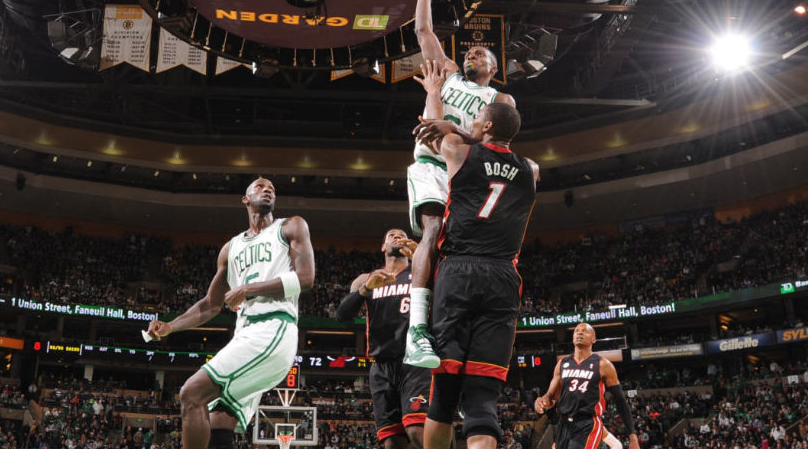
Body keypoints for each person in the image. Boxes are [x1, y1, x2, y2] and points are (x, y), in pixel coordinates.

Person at [145, 177, 314, 449]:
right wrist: (171, 326)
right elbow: (211, 304)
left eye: (271, 187)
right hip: (245, 336)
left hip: (273, 329)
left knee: (191, 393)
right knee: (217, 420)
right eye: (259, 187)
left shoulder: (290, 226)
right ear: (246, 200)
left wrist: (248, 289)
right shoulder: (231, 248)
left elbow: (305, 280)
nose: (267, 189)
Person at [405, 0, 516, 369]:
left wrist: (450, 124)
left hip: (467, 174)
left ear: (493, 68)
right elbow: (423, 33)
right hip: (432, 163)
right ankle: (416, 330)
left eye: (481, 53)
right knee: (432, 230)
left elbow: (491, 140)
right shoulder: (447, 74)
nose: (471, 53)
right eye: (468, 51)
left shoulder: (501, 101)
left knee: (457, 251)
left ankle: (450, 324)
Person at [412, 102, 538, 449]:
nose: (473, 120)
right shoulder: (529, 169)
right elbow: (506, 150)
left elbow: (437, 140)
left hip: (458, 270)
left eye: (478, 116)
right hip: (502, 276)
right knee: (482, 400)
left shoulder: (457, 150)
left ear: (487, 125)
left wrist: (466, 133)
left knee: (444, 395)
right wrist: (478, 133)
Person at [336, 228, 430, 449]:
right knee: (392, 442)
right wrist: (365, 290)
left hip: (415, 361)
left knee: (417, 431)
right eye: (391, 235)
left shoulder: (422, 273)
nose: (397, 236)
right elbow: (342, 316)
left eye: (401, 234)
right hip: (382, 366)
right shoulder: (366, 279)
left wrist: (422, 259)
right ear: (382, 246)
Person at [534, 323, 640, 449]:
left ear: (593, 339)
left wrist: (632, 436)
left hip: (588, 424)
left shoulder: (603, 365)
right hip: (564, 424)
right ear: (573, 338)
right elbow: (551, 397)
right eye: (576, 331)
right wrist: (541, 402)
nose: (579, 333)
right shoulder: (562, 364)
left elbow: (620, 401)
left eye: (584, 331)